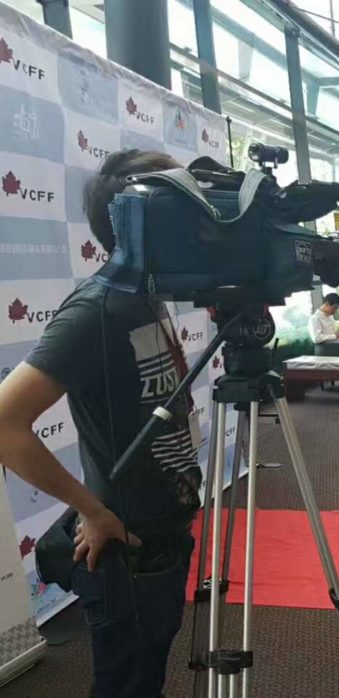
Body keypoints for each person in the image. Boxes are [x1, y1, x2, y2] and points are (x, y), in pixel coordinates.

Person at [0, 150, 201, 697]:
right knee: (126, 685)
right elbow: (6, 422)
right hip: (128, 553)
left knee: (146, 676)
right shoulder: (96, 308)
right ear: (140, 221)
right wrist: (91, 510)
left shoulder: (146, 295)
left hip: (164, 535)